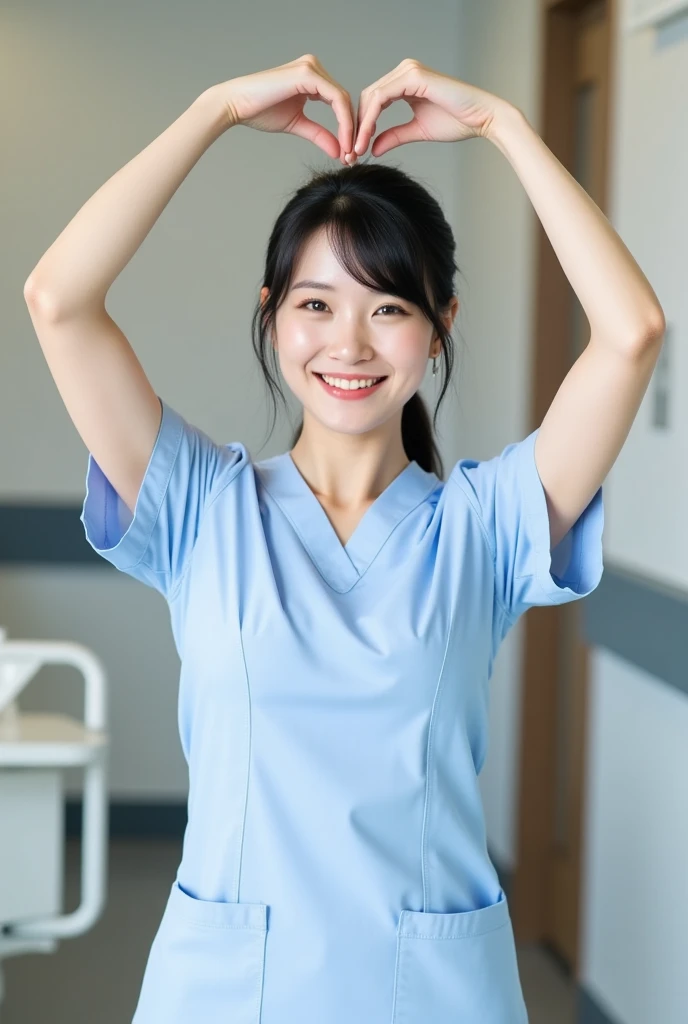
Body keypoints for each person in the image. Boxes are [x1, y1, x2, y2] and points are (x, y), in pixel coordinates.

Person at [23, 53, 665, 1024]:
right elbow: (57, 299)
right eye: (315, 303)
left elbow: (631, 331)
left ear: (438, 326)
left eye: (389, 308)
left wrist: (502, 124)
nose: (349, 344)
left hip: (432, 995)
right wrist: (212, 108)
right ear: (272, 314)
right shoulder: (199, 506)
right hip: (226, 993)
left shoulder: (483, 531)